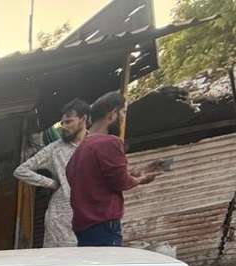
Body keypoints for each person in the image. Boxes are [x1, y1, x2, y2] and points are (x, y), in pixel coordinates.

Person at [65, 91, 162, 247]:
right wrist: (140, 180)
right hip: (102, 223)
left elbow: (99, 179)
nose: (124, 118)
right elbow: (121, 181)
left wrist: (135, 171)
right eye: (122, 113)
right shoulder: (110, 142)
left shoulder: (82, 148)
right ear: (112, 114)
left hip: (84, 223)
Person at [13, 98, 90, 247]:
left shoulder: (96, 145)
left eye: (69, 121)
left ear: (83, 119)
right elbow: (21, 170)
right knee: (59, 261)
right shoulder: (55, 149)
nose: (64, 127)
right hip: (60, 220)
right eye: (63, 123)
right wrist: (51, 183)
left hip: (91, 217)